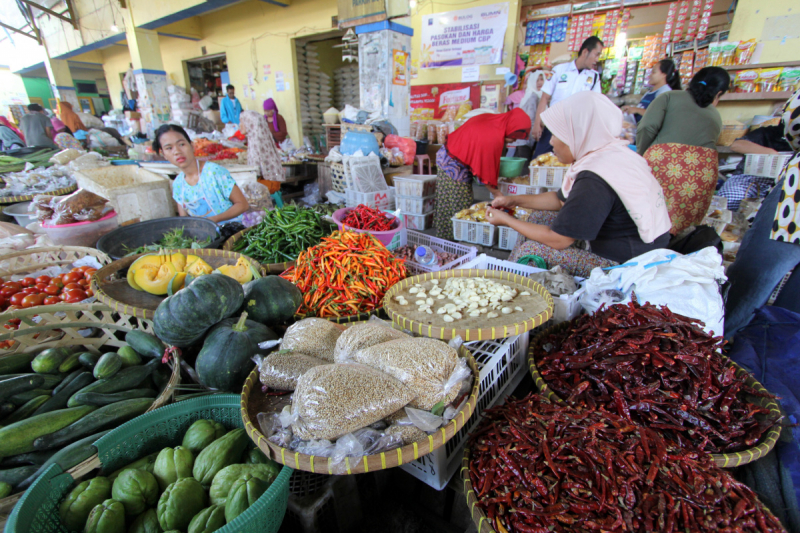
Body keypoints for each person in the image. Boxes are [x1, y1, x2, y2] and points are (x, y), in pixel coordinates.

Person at [487, 92, 672, 278]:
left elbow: (559, 240)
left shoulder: (596, 176)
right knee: (538, 217)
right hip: (632, 246)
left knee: (530, 251)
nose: (550, 142)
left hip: (625, 264)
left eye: (556, 135)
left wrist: (506, 220)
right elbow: (560, 200)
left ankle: (510, 282)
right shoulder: (610, 154)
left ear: (577, 135)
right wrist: (512, 200)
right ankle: (514, 274)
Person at [724, 89, 800, 337]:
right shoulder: (763, 134)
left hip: (795, 203)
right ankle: (770, 358)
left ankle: (718, 346)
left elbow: (794, 121)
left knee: (753, 279)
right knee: (792, 309)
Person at [433, 108, 531, 241]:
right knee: (460, 204)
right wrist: (497, 194)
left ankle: (445, 238)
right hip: (452, 163)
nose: (515, 140)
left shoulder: (495, 122)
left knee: (447, 201)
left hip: (447, 154)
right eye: (515, 135)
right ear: (511, 127)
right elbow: (485, 171)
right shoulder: (493, 137)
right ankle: (455, 240)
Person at [153, 124, 249, 223]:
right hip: (205, 237)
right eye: (169, 148)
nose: (177, 151)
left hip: (233, 233)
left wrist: (212, 220)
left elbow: (243, 204)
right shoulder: (178, 185)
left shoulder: (214, 172)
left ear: (192, 145)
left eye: (181, 144)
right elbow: (184, 220)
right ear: (163, 154)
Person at [533, 36, 604, 157]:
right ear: (585, 52)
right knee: (539, 161)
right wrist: (537, 122)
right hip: (552, 126)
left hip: (575, 131)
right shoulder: (559, 70)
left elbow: (596, 105)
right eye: (596, 54)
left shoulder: (594, 78)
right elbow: (545, 97)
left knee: (567, 164)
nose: (597, 59)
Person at [636, 66, 729, 155]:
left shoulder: (669, 97)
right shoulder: (716, 116)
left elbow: (646, 126)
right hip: (694, 170)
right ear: (718, 94)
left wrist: (642, 154)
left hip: (659, 163)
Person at [718, 122, 793, 211]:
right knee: (728, 200)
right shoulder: (769, 133)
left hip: (782, 183)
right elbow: (736, 145)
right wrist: (771, 153)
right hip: (748, 179)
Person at [508, 70, 548, 159]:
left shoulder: (537, 95)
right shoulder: (533, 96)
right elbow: (531, 119)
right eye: (536, 80)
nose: (540, 82)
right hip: (528, 138)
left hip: (525, 138)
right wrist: (534, 138)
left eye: (542, 79)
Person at [239, 110, 283, 181]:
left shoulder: (257, 143)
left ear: (249, 123)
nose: (239, 125)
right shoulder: (259, 140)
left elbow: (256, 173)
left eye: (241, 122)